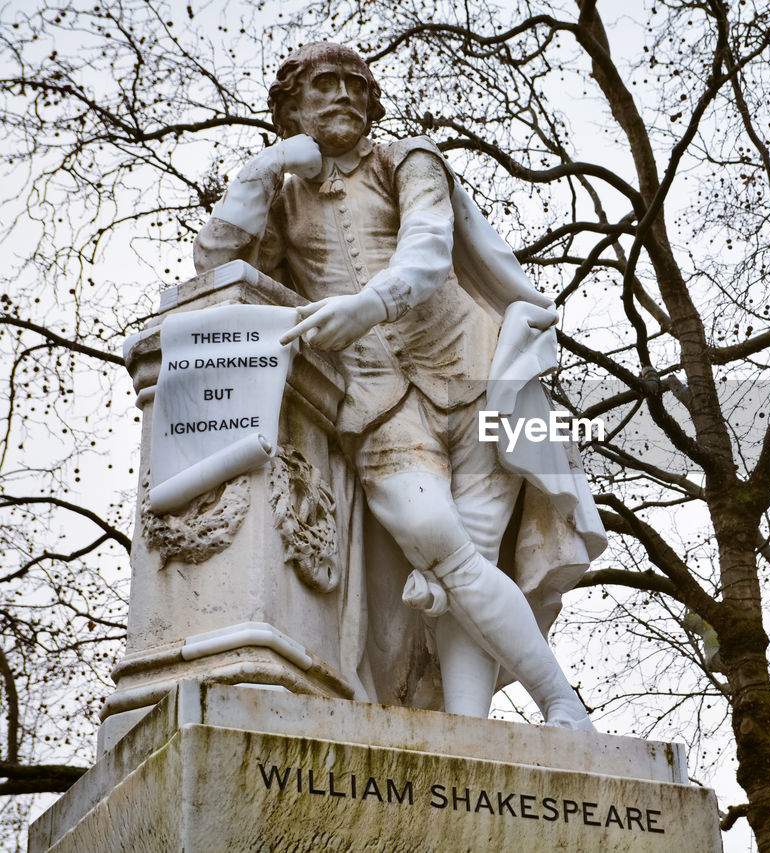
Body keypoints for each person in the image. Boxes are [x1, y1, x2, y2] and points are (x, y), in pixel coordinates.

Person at [193, 42, 604, 730]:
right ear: (291, 107)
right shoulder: (282, 194)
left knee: (463, 561)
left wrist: (370, 304)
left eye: (357, 85)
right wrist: (264, 169)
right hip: (378, 405)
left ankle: (468, 727)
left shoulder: (407, 159)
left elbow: (427, 248)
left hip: (477, 376)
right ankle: (562, 699)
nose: (345, 96)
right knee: (442, 543)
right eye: (325, 86)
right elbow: (214, 267)